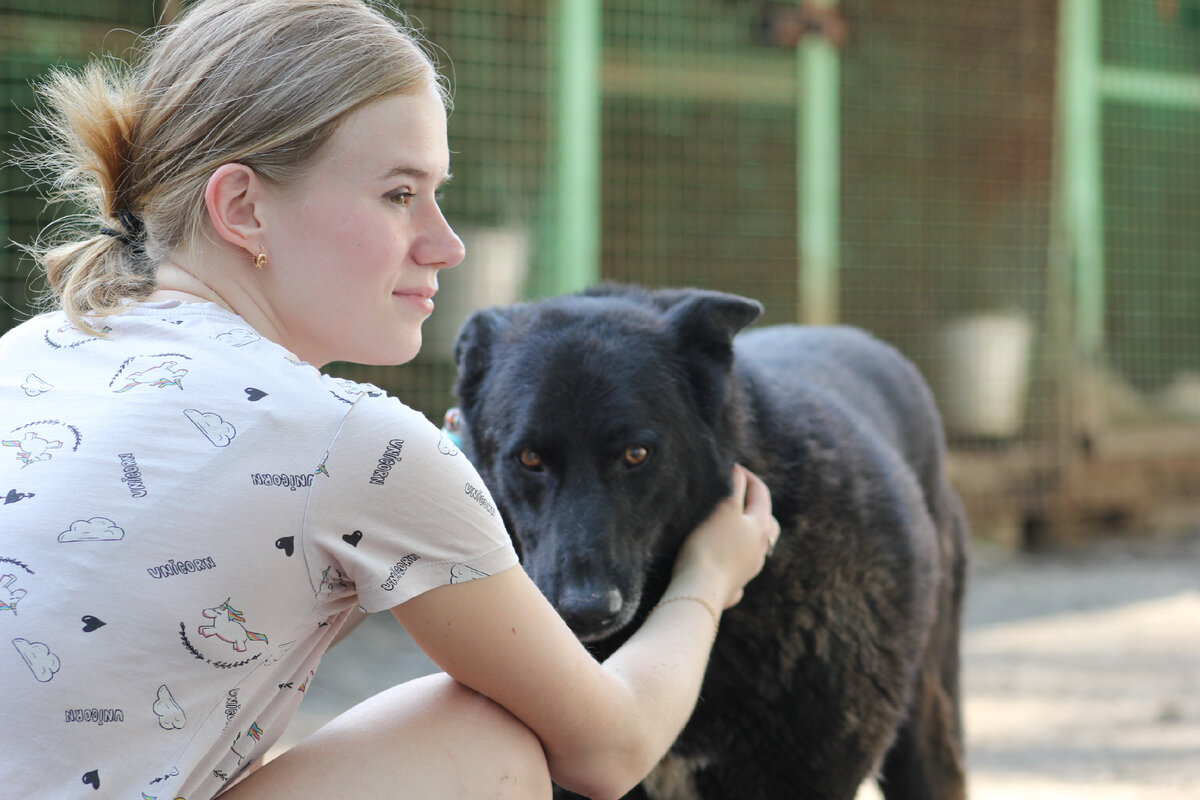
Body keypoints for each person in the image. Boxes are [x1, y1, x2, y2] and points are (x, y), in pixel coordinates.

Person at [0, 1, 780, 797]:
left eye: (437, 193)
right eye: (400, 194)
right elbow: (610, 753)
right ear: (242, 208)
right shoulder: (351, 440)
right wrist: (709, 575)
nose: (448, 245)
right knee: (484, 742)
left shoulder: (27, 353)